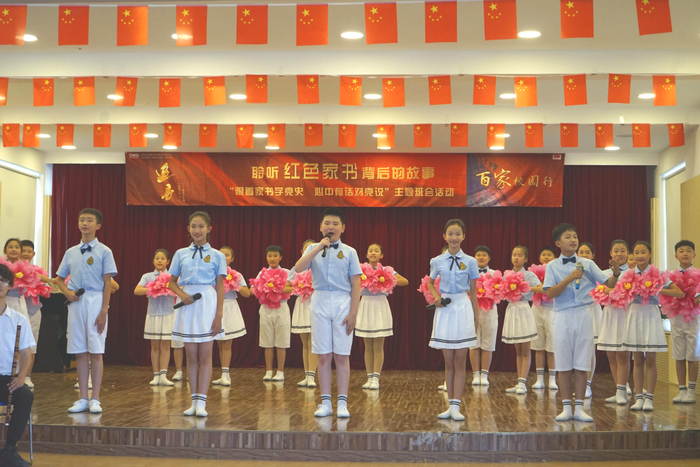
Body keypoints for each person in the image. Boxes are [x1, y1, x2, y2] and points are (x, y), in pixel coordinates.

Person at [543, 223, 620, 422]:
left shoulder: (587, 264)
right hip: (561, 315)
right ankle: (565, 408)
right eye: (568, 237)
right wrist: (569, 278)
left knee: (582, 363)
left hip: (584, 314)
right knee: (563, 363)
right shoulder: (552, 266)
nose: (573, 240)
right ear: (558, 243)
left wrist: (616, 273)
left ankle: (579, 408)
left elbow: (609, 284)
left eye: (575, 236)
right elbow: (550, 293)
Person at [294, 207, 362, 419]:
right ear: (320, 227)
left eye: (335, 224)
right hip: (320, 300)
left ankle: (342, 403)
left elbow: (356, 284)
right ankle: (325, 403)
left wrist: (353, 313)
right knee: (323, 355)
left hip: (343, 301)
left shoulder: (350, 252)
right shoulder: (313, 248)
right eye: (327, 223)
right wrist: (318, 247)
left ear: (343, 228)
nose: (331, 227)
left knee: (341, 355)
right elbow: (298, 268)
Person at [55, 208, 118, 414]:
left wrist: (104, 310)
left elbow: (108, 283)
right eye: (82, 219)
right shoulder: (71, 252)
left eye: (90, 220)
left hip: (96, 300)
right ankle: (82, 398)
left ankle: (95, 398)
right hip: (76, 302)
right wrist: (67, 292)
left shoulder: (105, 251)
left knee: (96, 351)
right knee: (80, 351)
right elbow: (58, 279)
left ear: (98, 225)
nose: (85, 223)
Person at [168, 211, 226, 417]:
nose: (197, 230)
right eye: (193, 226)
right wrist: (182, 294)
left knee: (205, 355)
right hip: (188, 304)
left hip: (207, 303)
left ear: (209, 229)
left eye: (201, 226)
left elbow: (220, 287)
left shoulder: (218, 255)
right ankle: (193, 401)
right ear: (188, 229)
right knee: (190, 355)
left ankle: (202, 402)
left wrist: (219, 315)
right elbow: (171, 282)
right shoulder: (180, 253)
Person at [621, 241, 683, 411]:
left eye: (643, 252)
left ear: (650, 254)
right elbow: (617, 292)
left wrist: (659, 289)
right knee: (637, 360)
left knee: (651, 360)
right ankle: (639, 398)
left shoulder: (658, 274)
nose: (640, 256)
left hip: (651, 314)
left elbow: (678, 292)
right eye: (636, 252)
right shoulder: (628, 275)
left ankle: (649, 399)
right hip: (634, 314)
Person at [427, 219, 480, 421]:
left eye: (458, 234)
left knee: (460, 360)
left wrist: (475, 317)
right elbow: (430, 283)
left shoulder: (471, 261)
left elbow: (473, 292)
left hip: (463, 307)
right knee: (448, 361)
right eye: (450, 234)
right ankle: (450, 406)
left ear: (464, 236)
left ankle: (457, 406)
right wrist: (436, 298)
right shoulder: (437, 261)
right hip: (446, 309)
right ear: (444, 236)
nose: (454, 237)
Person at [356, 243, 408, 390]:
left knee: (378, 345)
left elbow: (405, 281)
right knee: (368, 346)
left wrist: (386, 279)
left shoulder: (386, 270)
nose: (373, 253)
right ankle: (369, 377)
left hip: (380, 305)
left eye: (376, 251)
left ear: (381, 255)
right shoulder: (360, 270)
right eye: (370, 251)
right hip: (365, 304)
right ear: (366, 255)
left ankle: (376, 378)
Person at [0, 263, 35, 467]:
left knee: (25, 395)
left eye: (3, 281)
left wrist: (21, 377)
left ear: (9, 286)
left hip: (7, 378)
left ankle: (10, 450)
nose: (0, 285)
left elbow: (27, 354)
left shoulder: (19, 319)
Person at [501, 246, 543, 395]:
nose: (516, 257)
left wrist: (525, 287)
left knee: (525, 350)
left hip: (524, 309)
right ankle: (519, 382)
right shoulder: (507, 274)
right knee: (518, 350)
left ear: (525, 259)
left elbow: (542, 288)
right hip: (512, 310)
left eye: (520, 255)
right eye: (514, 255)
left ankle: (523, 383)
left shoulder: (529, 275)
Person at [597, 240, 633, 404]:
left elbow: (626, 293)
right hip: (610, 314)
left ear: (628, 253)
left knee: (623, 355)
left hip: (626, 314)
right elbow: (600, 291)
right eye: (616, 250)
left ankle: (621, 391)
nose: (619, 254)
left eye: (623, 250)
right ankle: (620, 388)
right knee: (611, 355)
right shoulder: (603, 273)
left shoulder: (632, 273)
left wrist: (611, 290)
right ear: (611, 253)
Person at [134, 249, 176, 387]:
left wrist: (168, 288)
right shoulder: (147, 276)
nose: (159, 260)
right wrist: (153, 289)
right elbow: (137, 290)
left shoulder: (172, 276)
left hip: (168, 314)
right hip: (153, 314)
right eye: (157, 258)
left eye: (162, 258)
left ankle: (164, 375)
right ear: (153, 261)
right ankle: (156, 375)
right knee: (154, 346)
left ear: (168, 261)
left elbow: (180, 289)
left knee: (165, 345)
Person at [212, 246, 250, 387]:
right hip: (215, 308)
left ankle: (225, 374)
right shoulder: (211, 273)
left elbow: (247, 293)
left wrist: (235, 284)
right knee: (219, 342)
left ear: (232, 259)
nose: (223, 257)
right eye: (221, 255)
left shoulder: (236, 274)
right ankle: (223, 374)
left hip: (229, 307)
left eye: (227, 255)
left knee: (227, 343)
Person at [256, 245, 293, 382]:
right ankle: (268, 371)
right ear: (266, 257)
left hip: (281, 307)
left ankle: (280, 371)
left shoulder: (287, 272)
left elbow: (292, 288)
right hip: (266, 308)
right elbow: (255, 289)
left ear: (281, 257)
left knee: (281, 341)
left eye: (275, 256)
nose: (272, 258)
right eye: (269, 256)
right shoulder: (262, 273)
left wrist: (281, 288)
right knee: (267, 341)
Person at [668, 240, 698, 404]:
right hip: (676, 318)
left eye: (688, 251)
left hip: (693, 319)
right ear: (676, 256)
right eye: (681, 251)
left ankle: (691, 391)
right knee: (678, 355)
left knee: (692, 355)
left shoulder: (698, 274)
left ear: (694, 255)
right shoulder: (671, 276)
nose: (685, 253)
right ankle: (681, 390)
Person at [19, 240, 51, 389]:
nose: (26, 254)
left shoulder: (37, 271)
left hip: (34, 310)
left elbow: (45, 290)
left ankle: (27, 375)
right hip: (18, 310)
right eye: (23, 251)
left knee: (32, 343)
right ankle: (15, 374)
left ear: (33, 254)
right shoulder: (13, 270)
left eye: (29, 251)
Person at [470, 245, 499, 387]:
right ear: (474, 258)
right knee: (473, 344)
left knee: (488, 343)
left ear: (489, 258)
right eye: (478, 255)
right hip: (472, 310)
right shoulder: (469, 273)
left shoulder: (495, 274)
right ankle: (475, 375)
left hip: (490, 311)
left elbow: (501, 292)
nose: (481, 257)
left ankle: (484, 375)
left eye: (484, 255)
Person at [291, 239, 318, 388]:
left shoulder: (320, 267)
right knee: (305, 343)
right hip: (302, 304)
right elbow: (286, 287)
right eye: (306, 248)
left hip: (316, 304)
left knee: (313, 342)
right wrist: (299, 287)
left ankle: (312, 376)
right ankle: (307, 375)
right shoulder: (296, 268)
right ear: (302, 252)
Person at [531, 246, 558, 391]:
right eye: (544, 254)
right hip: (537, 308)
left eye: (549, 254)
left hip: (553, 309)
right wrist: (542, 288)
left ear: (555, 258)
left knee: (552, 346)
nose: (546, 257)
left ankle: (552, 379)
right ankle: (539, 379)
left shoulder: (558, 271)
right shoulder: (533, 273)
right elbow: (528, 287)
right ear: (539, 258)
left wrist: (542, 288)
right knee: (538, 345)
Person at [576, 242, 600, 398]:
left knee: (589, 350)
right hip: (576, 313)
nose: (584, 255)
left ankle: (587, 385)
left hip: (592, 311)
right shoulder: (572, 272)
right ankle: (579, 384)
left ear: (593, 256)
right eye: (581, 252)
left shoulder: (598, 273)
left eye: (587, 252)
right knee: (579, 351)